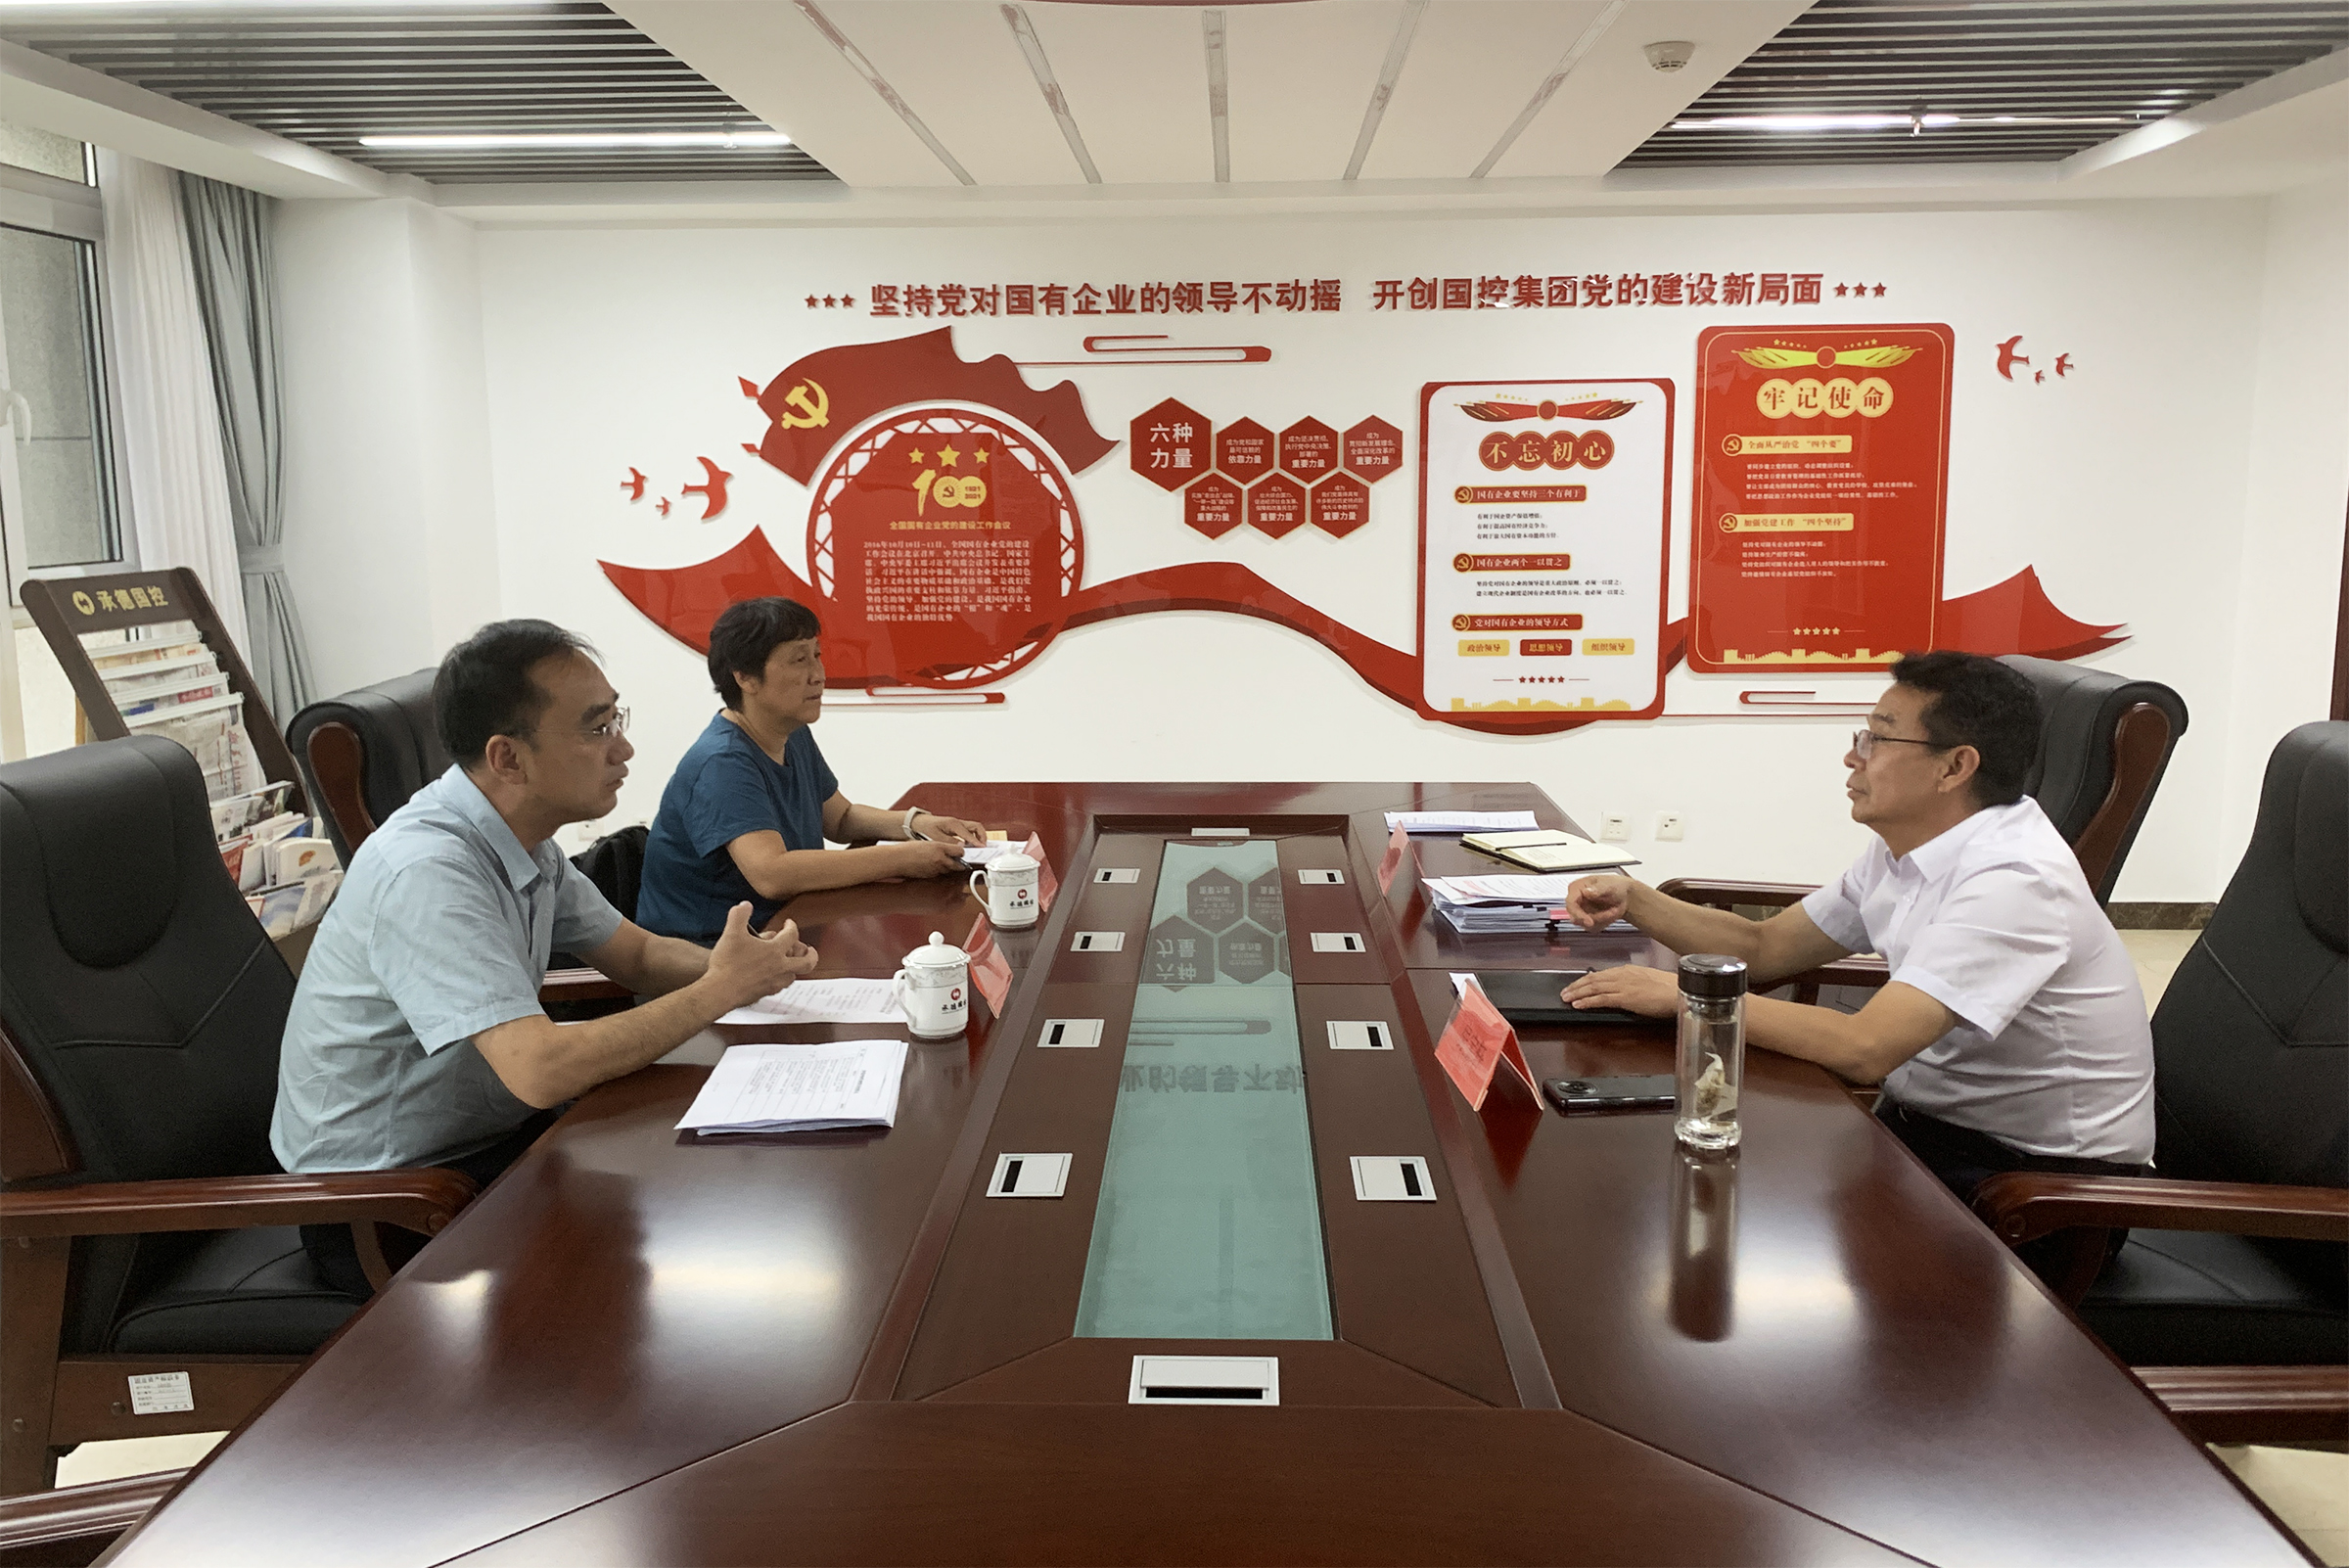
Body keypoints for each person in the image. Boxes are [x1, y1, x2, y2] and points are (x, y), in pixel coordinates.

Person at [273, 620, 821, 1293]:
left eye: (616, 719)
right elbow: (537, 1070)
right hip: (389, 1203)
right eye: (597, 729)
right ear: (507, 759)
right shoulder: (428, 871)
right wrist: (719, 990)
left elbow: (639, 955)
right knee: (697, 1245)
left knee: (731, 1194)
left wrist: (757, 966)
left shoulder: (523, 839)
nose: (623, 748)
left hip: (493, 1145)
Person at [1557, 650, 2155, 1202]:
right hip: (1925, 1130)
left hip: (2038, 1187)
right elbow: (1764, 948)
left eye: (1878, 738)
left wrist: (1689, 998)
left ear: (1954, 766)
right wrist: (1634, 900)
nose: (1853, 757)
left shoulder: (2016, 880)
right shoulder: (1910, 846)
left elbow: (1866, 1048)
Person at [635, 597, 987, 943]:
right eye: (799, 660)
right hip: (709, 952)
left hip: (785, 929)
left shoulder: (791, 733)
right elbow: (772, 874)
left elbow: (840, 819)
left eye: (817, 655)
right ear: (745, 677)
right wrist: (901, 859)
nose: (818, 675)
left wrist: (916, 824)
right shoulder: (721, 762)